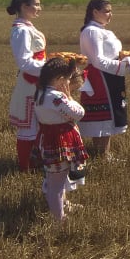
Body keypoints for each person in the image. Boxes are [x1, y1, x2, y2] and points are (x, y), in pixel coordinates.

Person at [34, 57, 89, 222]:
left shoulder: (40, 93)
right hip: (60, 142)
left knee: (57, 178)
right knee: (56, 185)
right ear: (59, 79)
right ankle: (59, 219)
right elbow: (79, 113)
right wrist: (69, 97)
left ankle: (63, 205)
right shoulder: (57, 97)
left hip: (48, 139)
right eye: (66, 79)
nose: (67, 82)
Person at [79, 0, 128, 159]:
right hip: (100, 77)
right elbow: (98, 60)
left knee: (109, 115)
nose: (110, 15)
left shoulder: (103, 30)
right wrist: (122, 66)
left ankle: (103, 154)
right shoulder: (92, 31)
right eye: (107, 11)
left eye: (110, 11)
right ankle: (103, 154)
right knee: (102, 117)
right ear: (95, 12)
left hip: (110, 75)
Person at [7, 0, 46, 171]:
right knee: (28, 128)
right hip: (30, 83)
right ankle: (26, 167)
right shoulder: (21, 31)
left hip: (37, 81)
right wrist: (50, 68)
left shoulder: (27, 27)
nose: (39, 8)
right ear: (24, 7)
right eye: (36, 4)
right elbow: (24, 62)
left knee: (38, 125)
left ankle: (37, 162)